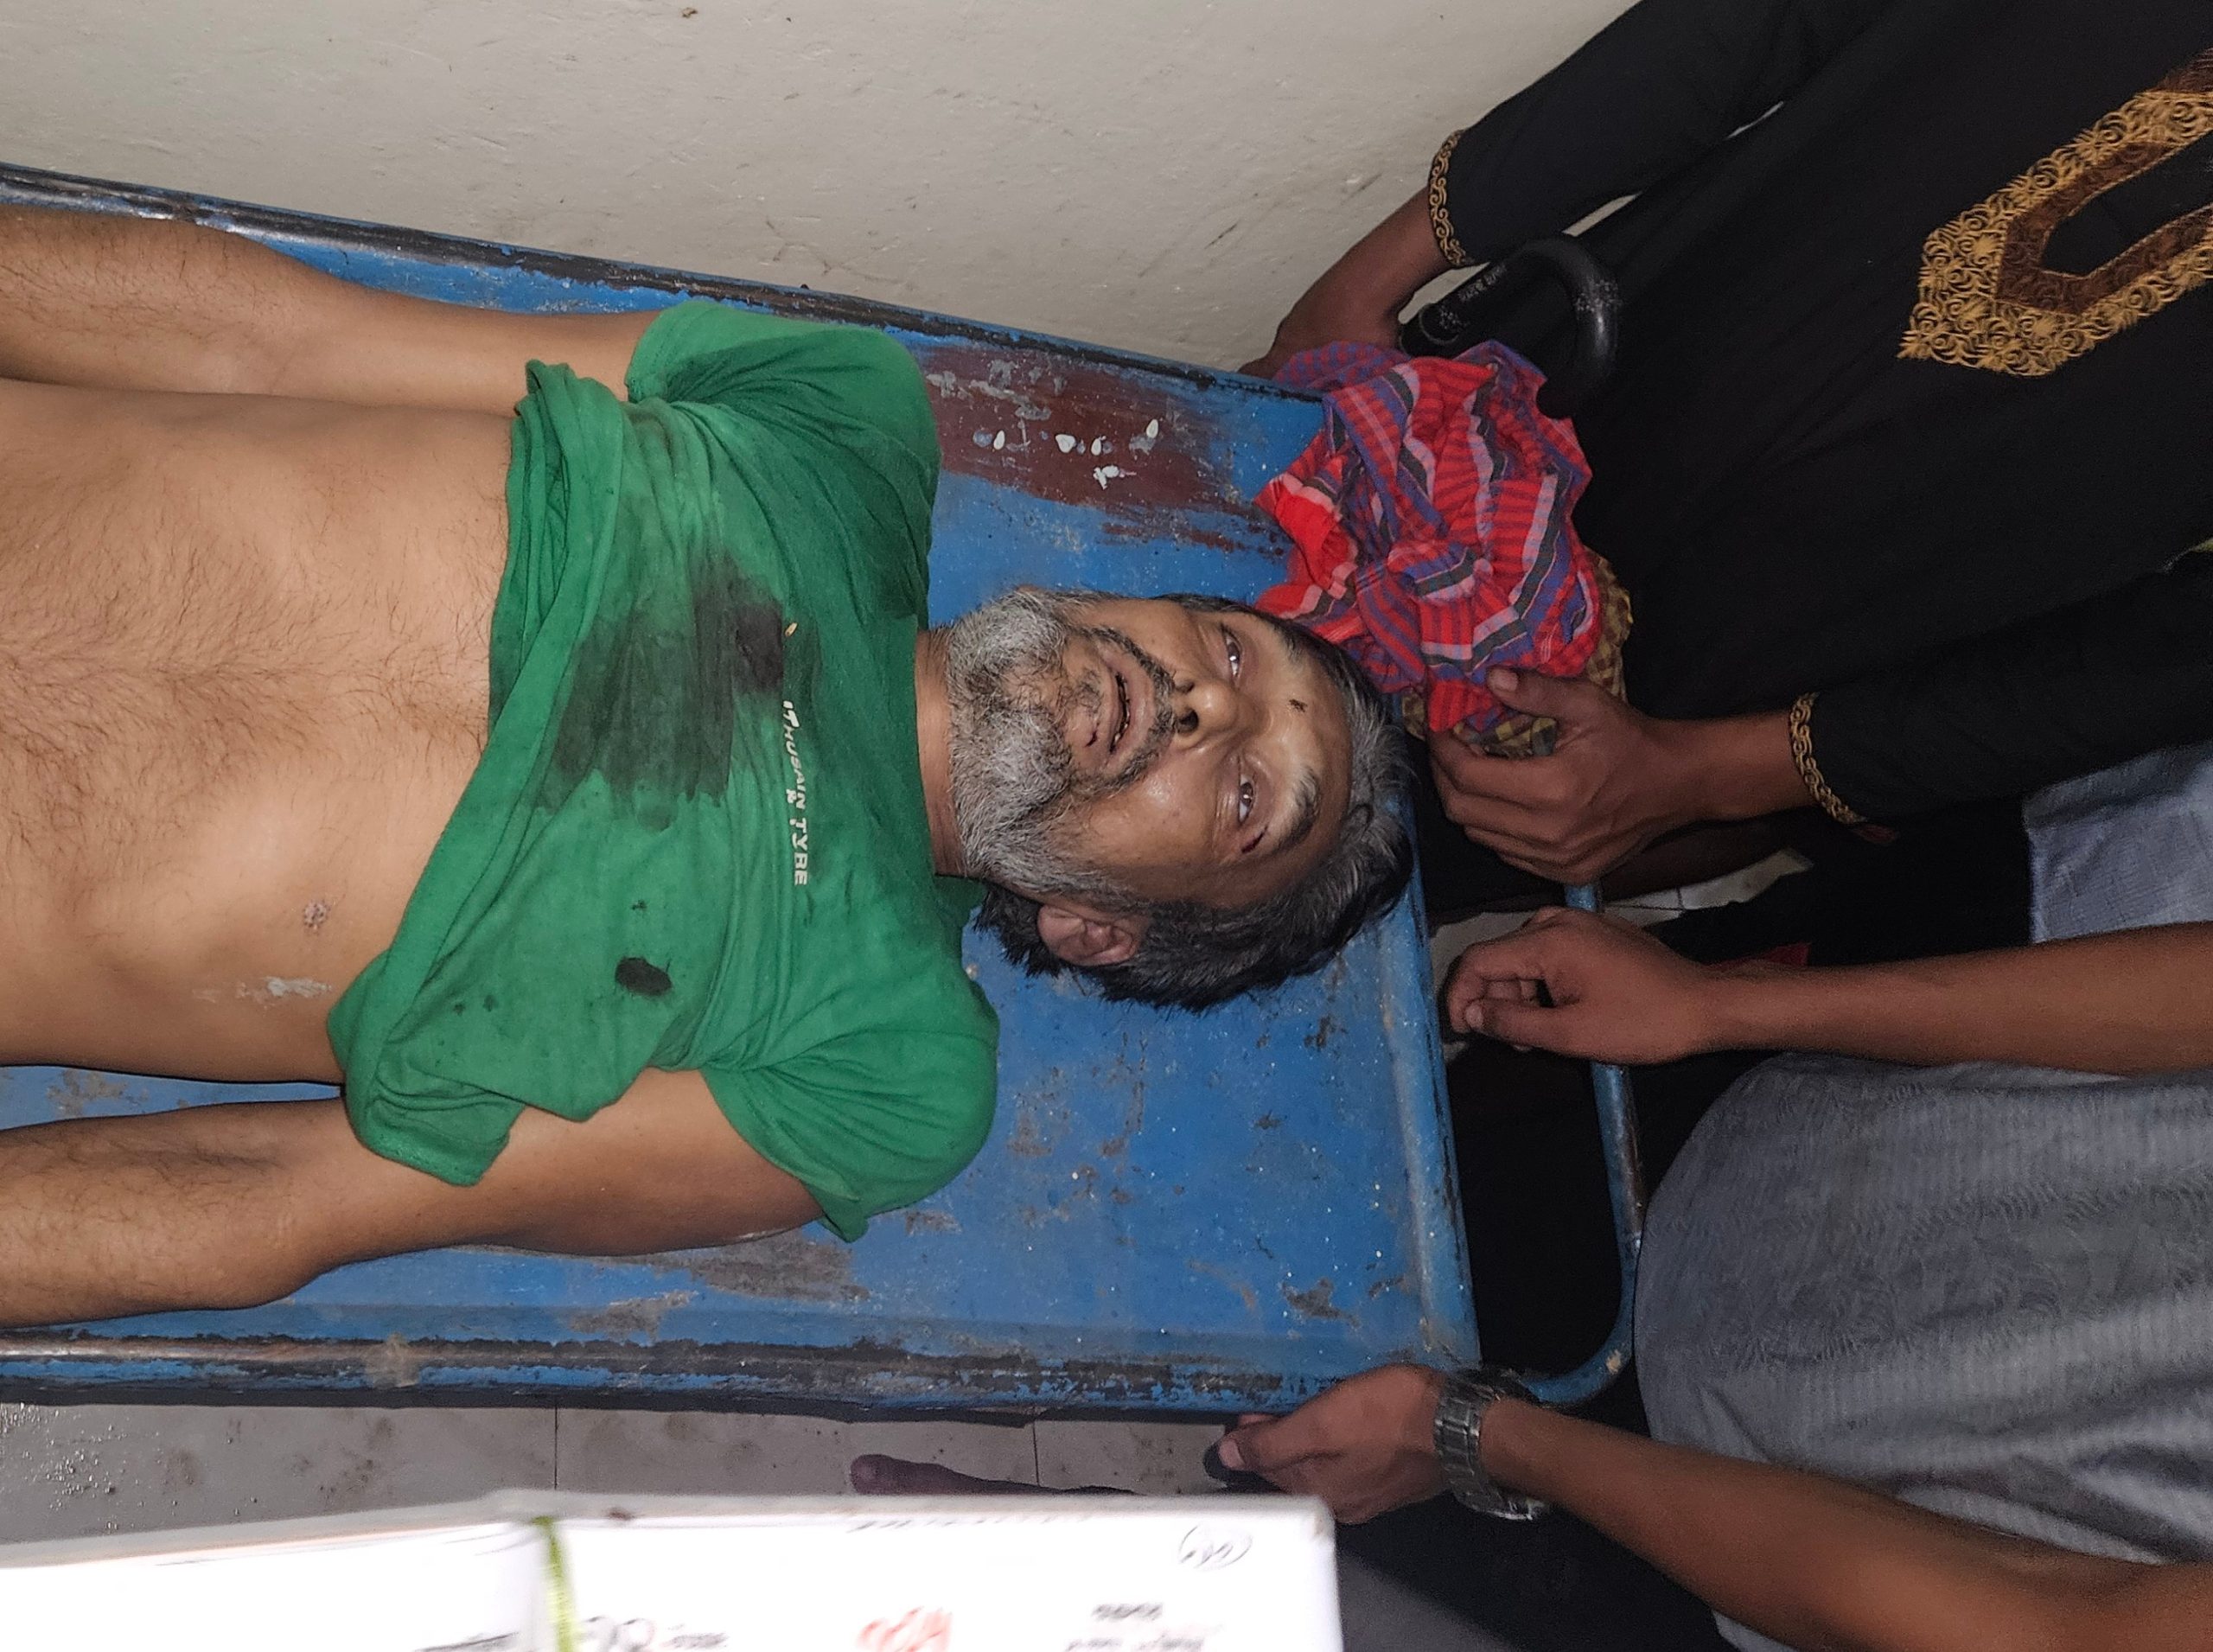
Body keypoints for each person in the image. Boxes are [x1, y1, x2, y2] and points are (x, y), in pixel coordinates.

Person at [0, 201, 1408, 1327]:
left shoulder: (884, 1068)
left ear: (1100, 928)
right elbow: (273, 338)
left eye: (1244, 799)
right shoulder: (840, 424)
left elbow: (288, 1193)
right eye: (1233, 653)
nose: (1204, 707)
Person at [1247, 0, 2213, 910]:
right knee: (1200, 626)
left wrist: (1699, 774)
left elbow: (2152, 663)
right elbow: (1758, 23)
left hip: (1708, 688)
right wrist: (1369, 279)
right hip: (1515, 397)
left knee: (1285, 893)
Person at [1209, 908, 2213, 1651]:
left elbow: (2049, 1623)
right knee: (1260, 1197)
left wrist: (1473, 1436)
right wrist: (1715, 1003)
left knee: (1214, 1570)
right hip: (1785, 1149)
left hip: (1706, 1535)